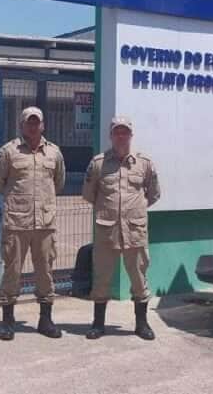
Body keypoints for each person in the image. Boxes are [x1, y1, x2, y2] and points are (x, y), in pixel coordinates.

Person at [81, 115, 161, 340]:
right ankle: (98, 324)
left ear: (131, 135)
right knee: (102, 278)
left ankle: (141, 324)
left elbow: (153, 194)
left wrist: (135, 211)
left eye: (125, 132)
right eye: (117, 132)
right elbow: (89, 194)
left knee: (138, 277)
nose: (121, 136)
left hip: (134, 231)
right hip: (107, 231)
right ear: (111, 135)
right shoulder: (98, 164)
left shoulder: (144, 164)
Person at [0, 106, 66, 340]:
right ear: (21, 125)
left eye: (37, 122)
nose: (33, 126)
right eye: (28, 122)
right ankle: (8, 320)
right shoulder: (8, 152)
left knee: (45, 272)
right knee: (12, 271)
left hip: (44, 224)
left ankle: (45, 320)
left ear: (43, 125)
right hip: (17, 223)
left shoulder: (54, 153)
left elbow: (58, 182)